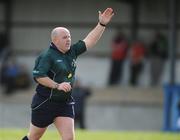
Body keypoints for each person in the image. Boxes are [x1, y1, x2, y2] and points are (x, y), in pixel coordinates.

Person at [22, 8, 114, 140]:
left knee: (69, 138)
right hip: (45, 102)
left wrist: (102, 24)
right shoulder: (47, 56)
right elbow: (39, 76)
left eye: (69, 36)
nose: (69, 39)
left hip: (64, 102)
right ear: (55, 40)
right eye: (65, 37)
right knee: (33, 138)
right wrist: (57, 85)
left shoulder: (71, 52)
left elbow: (89, 41)